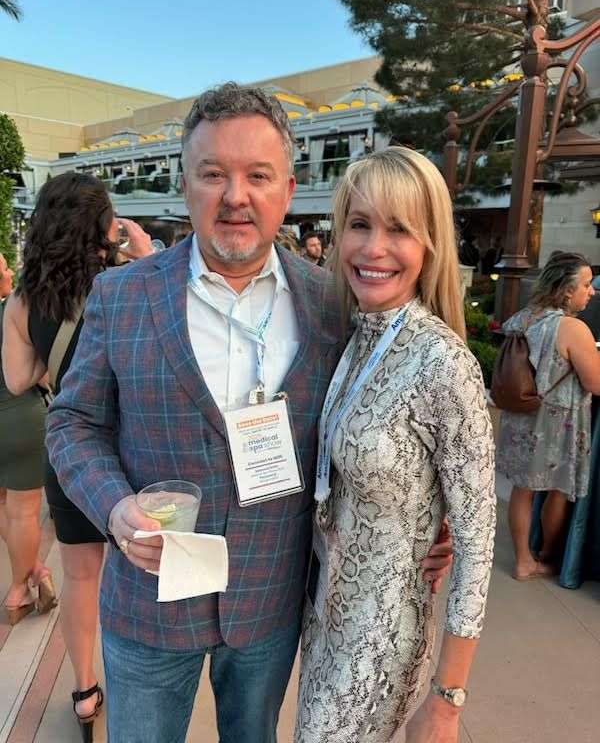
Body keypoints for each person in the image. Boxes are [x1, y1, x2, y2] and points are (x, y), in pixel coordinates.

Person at [44, 83, 451, 743]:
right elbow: (72, 422)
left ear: (287, 189)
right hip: (148, 607)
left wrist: (426, 524)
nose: (236, 196)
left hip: (268, 604)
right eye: (214, 175)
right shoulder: (120, 295)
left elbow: (381, 429)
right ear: (186, 184)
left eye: (257, 176)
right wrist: (114, 507)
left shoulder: (333, 305)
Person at [295, 147, 496, 743]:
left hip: (383, 641)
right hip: (327, 620)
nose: (373, 248)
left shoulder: (444, 363)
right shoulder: (354, 331)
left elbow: (478, 547)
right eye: (360, 224)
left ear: (429, 244)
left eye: (399, 229)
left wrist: (448, 701)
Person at [2, 173, 152, 742]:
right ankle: (141, 677)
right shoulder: (126, 282)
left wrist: (56, 372)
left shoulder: (21, 299)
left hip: (68, 453)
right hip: (130, 447)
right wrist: (140, 256)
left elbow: (18, 380)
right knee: (139, 567)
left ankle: (85, 690)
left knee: (80, 575)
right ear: (99, 225)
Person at [496, 252, 600, 580]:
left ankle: (522, 558)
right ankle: (543, 557)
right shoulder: (572, 328)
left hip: (522, 415)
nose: (592, 291)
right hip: (558, 422)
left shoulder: (523, 318)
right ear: (567, 290)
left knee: (521, 491)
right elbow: (595, 382)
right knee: (558, 490)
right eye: (586, 284)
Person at [0, 251, 57, 625]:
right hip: (20, 419)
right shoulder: (13, 312)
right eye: (4, 266)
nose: (9, 271)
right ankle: (19, 590)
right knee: (23, 511)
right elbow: (40, 377)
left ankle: (34, 568)